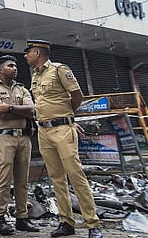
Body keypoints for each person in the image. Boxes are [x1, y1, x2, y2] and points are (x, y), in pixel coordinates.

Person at [25, 40, 102, 238]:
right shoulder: (35, 75)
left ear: (37, 53)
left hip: (62, 130)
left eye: (28, 53)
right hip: (43, 131)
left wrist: (66, 117)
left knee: (75, 175)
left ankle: (92, 224)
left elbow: (77, 96)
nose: (25, 56)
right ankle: (66, 222)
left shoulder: (59, 70)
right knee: (56, 179)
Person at [0, 55, 40, 235]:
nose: (14, 68)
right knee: (4, 179)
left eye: (15, 65)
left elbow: (32, 110)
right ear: (1, 70)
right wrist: (21, 112)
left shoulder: (22, 88)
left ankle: (22, 218)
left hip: (24, 139)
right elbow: (1, 116)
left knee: (22, 180)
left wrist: (9, 107)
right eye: (10, 66)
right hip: (5, 138)